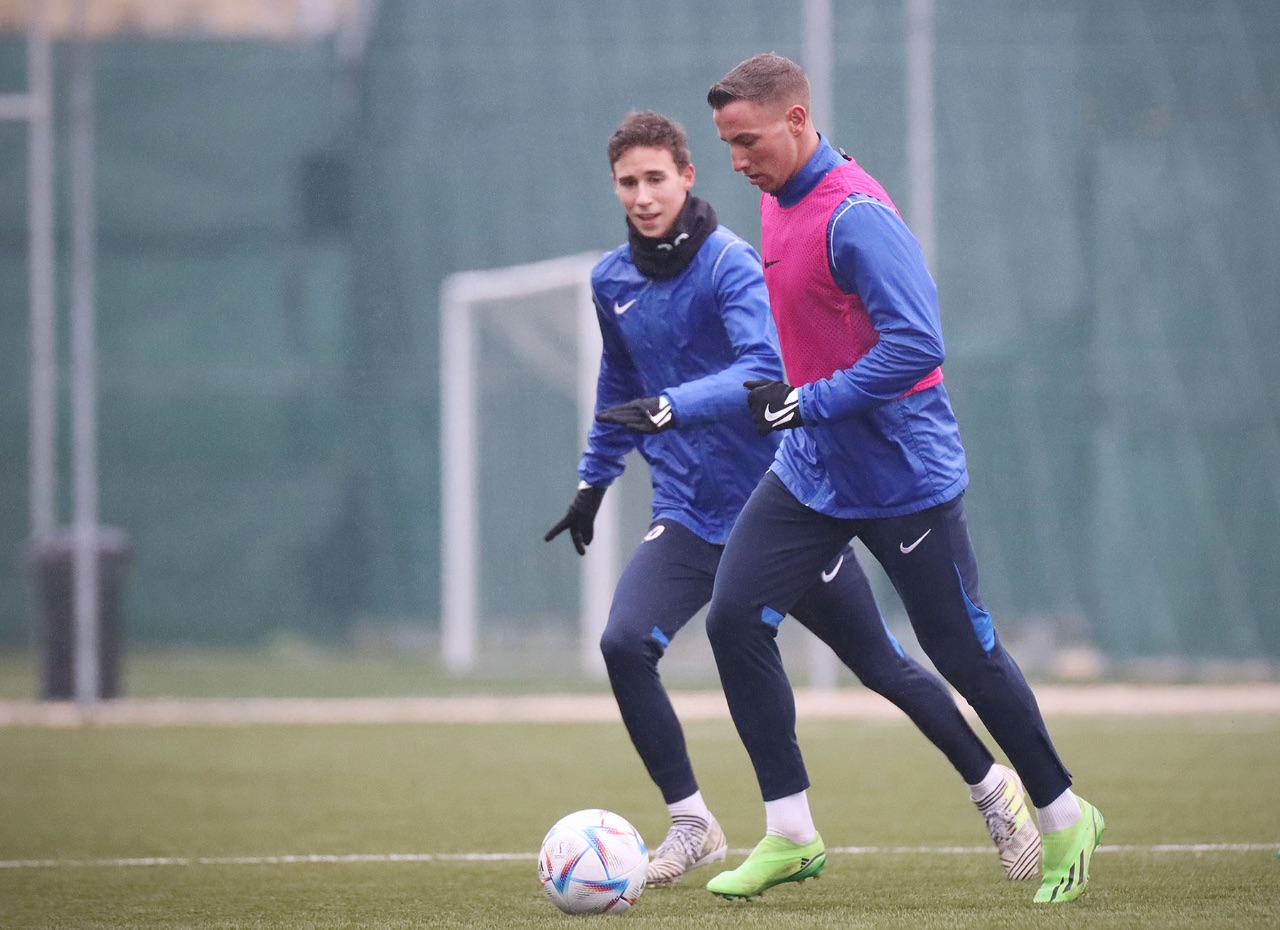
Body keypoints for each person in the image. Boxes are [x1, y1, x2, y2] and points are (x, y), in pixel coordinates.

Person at [544, 109, 1040, 889]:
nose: (642, 196)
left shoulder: (730, 264)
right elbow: (619, 385)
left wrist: (674, 406)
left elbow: (762, 369)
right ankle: (696, 824)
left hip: (779, 508)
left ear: (687, 177)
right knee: (623, 643)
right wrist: (592, 481)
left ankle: (992, 788)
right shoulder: (612, 281)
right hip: (686, 515)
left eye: (655, 178)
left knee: (881, 665)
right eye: (627, 183)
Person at [700, 53, 1104, 905]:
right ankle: (791, 833)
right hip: (812, 474)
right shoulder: (774, 200)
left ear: (798, 120)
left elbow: (918, 346)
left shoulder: (856, 216)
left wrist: (806, 402)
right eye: (727, 144)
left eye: (748, 141)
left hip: (903, 478)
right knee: (733, 616)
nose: (737, 160)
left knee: (962, 653)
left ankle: (1066, 815)